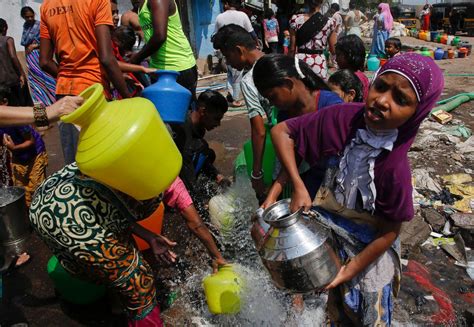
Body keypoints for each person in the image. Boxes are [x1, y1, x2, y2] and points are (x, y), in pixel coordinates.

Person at [268, 53, 443, 325]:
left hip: (370, 246)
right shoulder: (344, 117)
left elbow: (388, 234)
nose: (383, 101)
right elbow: (281, 132)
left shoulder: (394, 168)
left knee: (368, 309)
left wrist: (350, 270)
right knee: (326, 303)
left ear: (417, 112)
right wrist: (298, 185)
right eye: (381, 86)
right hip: (329, 229)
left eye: (401, 99)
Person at [30, 167, 226, 325]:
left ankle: (118, 306)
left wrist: (149, 236)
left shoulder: (125, 156)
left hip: (45, 203)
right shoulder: (169, 177)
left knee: (121, 255)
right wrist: (217, 256)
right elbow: (196, 224)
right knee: (140, 281)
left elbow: (113, 207)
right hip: (74, 217)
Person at [40, 0, 131, 165]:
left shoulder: (46, 6)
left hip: (64, 97)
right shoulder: (99, 1)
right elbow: (106, 58)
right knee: (101, 161)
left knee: (75, 163)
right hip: (93, 94)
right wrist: (128, 97)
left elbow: (45, 61)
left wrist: (67, 76)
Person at [252, 54, 343, 203]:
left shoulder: (331, 106)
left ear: (288, 84)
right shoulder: (285, 117)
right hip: (314, 178)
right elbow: (293, 157)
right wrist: (272, 197)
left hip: (339, 182)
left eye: (272, 97)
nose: (272, 104)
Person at [212, 24, 268, 200]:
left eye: (228, 56)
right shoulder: (279, 59)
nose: (228, 62)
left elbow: (259, 131)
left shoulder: (249, 80)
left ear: (239, 50)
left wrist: (257, 172)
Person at [130, 0, 197, 105]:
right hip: (158, 70)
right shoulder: (140, 5)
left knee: (183, 115)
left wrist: (135, 59)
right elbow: (152, 37)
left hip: (178, 67)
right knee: (164, 115)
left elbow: (159, 37)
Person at [172, 90, 228, 200]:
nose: (218, 124)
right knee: (200, 148)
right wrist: (197, 204)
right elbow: (186, 167)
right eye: (216, 119)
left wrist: (217, 176)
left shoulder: (198, 127)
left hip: (184, 161)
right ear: (203, 111)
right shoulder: (183, 130)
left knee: (207, 153)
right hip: (170, 172)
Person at [214, 0, 258, 107]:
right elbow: (252, 33)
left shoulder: (219, 17)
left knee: (230, 74)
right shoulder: (242, 15)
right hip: (239, 49)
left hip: (226, 50)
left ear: (227, 4)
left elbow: (215, 35)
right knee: (237, 76)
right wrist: (255, 44)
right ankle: (236, 99)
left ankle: (232, 95)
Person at [289, 0, 337, 79]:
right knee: (318, 90)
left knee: (301, 88)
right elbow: (333, 50)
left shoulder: (295, 19)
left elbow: (292, 49)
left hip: (301, 61)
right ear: (321, 2)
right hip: (319, 62)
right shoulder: (330, 22)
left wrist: (289, 65)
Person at [20, 7, 56, 106]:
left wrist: (35, 45)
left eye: (32, 16)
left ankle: (53, 99)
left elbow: (50, 40)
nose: (30, 19)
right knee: (36, 81)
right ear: (23, 17)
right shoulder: (25, 26)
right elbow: (25, 44)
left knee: (47, 78)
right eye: (27, 17)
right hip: (30, 58)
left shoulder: (39, 25)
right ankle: (42, 102)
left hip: (40, 55)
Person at [0, 19, 32, 107]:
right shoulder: (8, 40)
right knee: (19, 104)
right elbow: (13, 56)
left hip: (1, 83)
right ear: (4, 28)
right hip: (11, 79)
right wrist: (21, 73)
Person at [335, 34, 370, 101]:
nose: (336, 59)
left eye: (338, 55)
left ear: (349, 55)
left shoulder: (350, 78)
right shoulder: (362, 76)